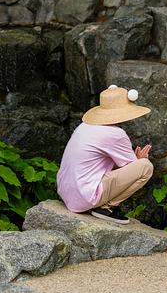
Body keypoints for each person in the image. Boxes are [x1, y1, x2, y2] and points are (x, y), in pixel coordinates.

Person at [56, 84, 153, 224]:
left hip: (67, 193)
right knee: (146, 167)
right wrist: (139, 160)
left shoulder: (84, 126)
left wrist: (134, 161)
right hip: (85, 196)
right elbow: (132, 168)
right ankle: (106, 208)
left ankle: (99, 205)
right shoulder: (116, 134)